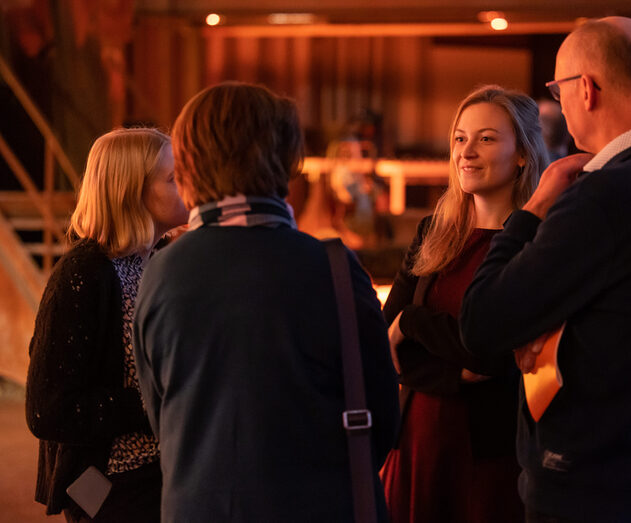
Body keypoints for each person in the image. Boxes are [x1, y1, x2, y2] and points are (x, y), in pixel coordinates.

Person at [459, 17, 631, 522]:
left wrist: (533, 208)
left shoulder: (604, 198)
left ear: (585, 89)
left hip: (588, 489)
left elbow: (482, 322)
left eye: (557, 88)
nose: (559, 103)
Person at [132, 82, 400, 523]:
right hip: (321, 507)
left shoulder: (162, 272)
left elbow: (161, 417)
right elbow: (382, 413)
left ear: (190, 163)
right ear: (283, 157)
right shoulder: (332, 268)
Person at [382, 85, 548, 522]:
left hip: (489, 453)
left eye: (486, 138)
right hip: (417, 441)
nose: (466, 152)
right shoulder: (432, 233)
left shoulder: (535, 242)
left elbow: (493, 358)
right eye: (460, 138)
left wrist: (414, 323)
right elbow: (386, 345)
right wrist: (456, 368)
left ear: (522, 154)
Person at [26, 127, 188, 522]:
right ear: (131, 190)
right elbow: (48, 410)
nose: (187, 186)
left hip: (169, 470)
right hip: (116, 483)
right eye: (172, 178)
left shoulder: (161, 259)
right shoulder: (84, 274)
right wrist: (156, 405)